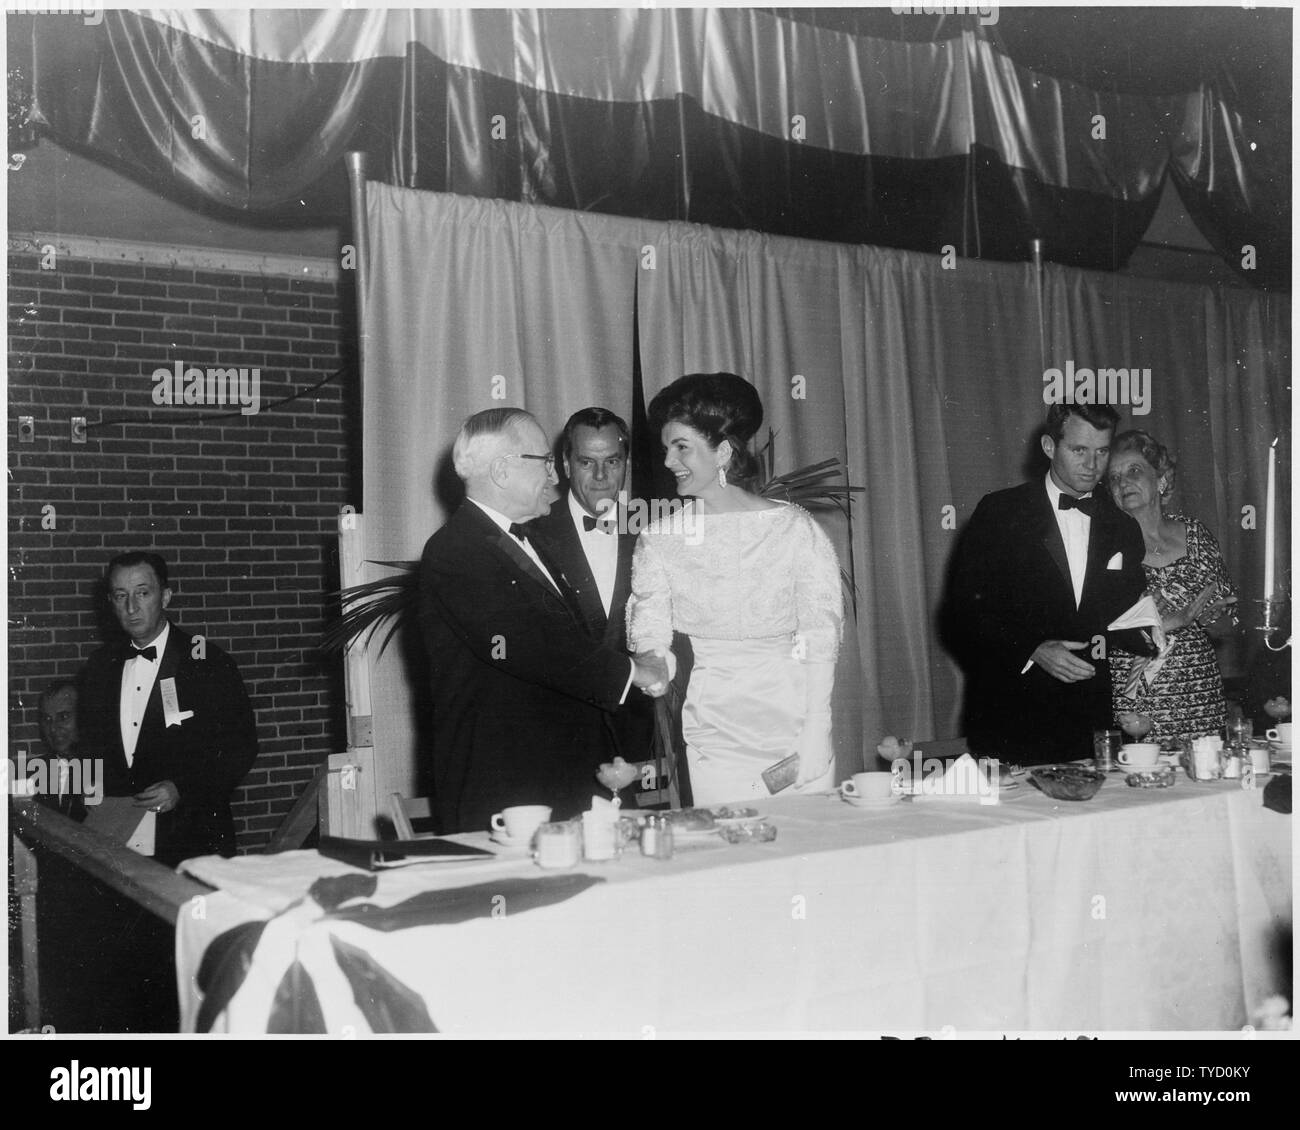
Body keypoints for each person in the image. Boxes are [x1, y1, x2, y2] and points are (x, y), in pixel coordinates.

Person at [418, 408, 668, 833]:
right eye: (544, 463)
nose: (555, 477)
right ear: (501, 470)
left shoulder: (522, 538)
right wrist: (634, 671)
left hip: (559, 778)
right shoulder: (456, 550)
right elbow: (531, 643)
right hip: (506, 786)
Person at [626, 373, 843, 804]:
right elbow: (649, 626)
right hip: (716, 734)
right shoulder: (660, 539)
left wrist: (818, 728)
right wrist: (654, 664)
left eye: (681, 446)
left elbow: (821, 634)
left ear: (723, 451)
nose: (668, 461)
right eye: (667, 447)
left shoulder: (795, 528)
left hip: (798, 726)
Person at [944, 403, 1159, 766]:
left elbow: (1125, 615)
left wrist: (1155, 627)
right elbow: (962, 613)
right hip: (1011, 713)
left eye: (1102, 451)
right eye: (1079, 450)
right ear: (1048, 447)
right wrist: (1032, 649)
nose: (1093, 466)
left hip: (1089, 722)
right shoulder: (1000, 513)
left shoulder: (1120, 525)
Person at [76, 551, 258, 867]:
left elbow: (240, 748)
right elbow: (88, 743)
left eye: (142, 593)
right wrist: (89, 784)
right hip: (118, 835)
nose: (131, 607)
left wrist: (181, 788)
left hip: (190, 836)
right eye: (121, 596)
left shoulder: (208, 663)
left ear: (166, 597)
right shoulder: (98, 667)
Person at [524, 407, 657, 776]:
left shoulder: (655, 530)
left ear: (626, 463)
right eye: (586, 462)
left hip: (638, 738)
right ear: (566, 465)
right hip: (555, 741)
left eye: (612, 461)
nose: (600, 476)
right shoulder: (530, 534)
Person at [1104, 430, 1237, 744]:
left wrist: (1214, 619)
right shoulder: (1105, 547)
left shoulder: (1196, 535)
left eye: (1133, 471)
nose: (1122, 483)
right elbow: (1101, 626)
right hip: (1140, 700)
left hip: (1201, 698)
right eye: (1113, 478)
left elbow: (1226, 628)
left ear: (1161, 479)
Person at [31, 680, 88, 819]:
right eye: (47, 719)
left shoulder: (106, 771)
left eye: (63, 717)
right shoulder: (32, 772)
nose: (53, 728)